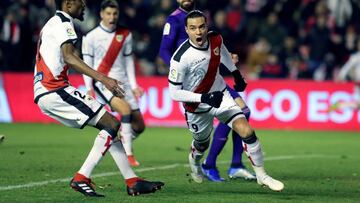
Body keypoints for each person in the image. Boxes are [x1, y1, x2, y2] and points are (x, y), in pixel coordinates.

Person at [33, 0, 164, 197]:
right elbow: (69, 57)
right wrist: (104, 79)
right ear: (68, 3)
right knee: (111, 123)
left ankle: (132, 181)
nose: (84, 4)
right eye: (80, 1)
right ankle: (81, 177)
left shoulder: (51, 23)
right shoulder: (64, 24)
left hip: (45, 90)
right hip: (55, 89)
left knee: (110, 126)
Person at [168, 10, 284, 191]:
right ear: (186, 30)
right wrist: (204, 97)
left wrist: (236, 75)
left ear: (207, 27)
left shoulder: (215, 39)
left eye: (201, 27)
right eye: (193, 28)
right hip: (197, 107)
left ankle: (262, 176)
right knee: (201, 144)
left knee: (246, 129)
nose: (198, 32)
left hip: (221, 95)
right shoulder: (180, 58)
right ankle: (195, 161)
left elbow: (223, 54)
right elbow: (174, 93)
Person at [159, 0, 255, 182]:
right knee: (204, 139)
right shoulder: (174, 20)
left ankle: (235, 165)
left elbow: (215, 46)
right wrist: (178, 70)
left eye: (201, 27)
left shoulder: (202, 15)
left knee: (244, 111)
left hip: (213, 79)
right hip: (194, 83)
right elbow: (164, 50)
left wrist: (223, 58)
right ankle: (209, 164)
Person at [82, 0, 144, 167]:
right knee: (125, 110)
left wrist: (134, 84)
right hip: (103, 82)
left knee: (139, 125)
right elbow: (86, 64)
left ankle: (120, 139)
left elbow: (128, 61)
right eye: (108, 13)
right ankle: (128, 154)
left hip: (123, 81)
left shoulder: (126, 34)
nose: (112, 17)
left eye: (114, 13)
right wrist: (89, 88)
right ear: (101, 14)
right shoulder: (91, 37)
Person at [331, 38, 360, 111]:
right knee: (357, 105)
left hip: (357, 83)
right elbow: (347, 67)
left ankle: (339, 105)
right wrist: (341, 76)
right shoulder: (356, 57)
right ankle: (339, 105)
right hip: (358, 83)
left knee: (357, 106)